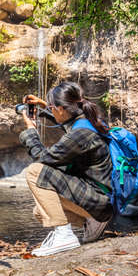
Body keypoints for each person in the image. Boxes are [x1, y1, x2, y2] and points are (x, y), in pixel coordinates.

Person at [19, 81, 113, 257]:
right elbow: (68, 120)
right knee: (40, 211)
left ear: (61, 109)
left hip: (98, 201)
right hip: (101, 199)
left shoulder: (81, 134)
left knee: (34, 171)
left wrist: (31, 131)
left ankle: (65, 236)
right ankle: (90, 222)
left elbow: (43, 158)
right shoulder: (89, 121)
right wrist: (45, 106)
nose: (52, 110)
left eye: (54, 108)